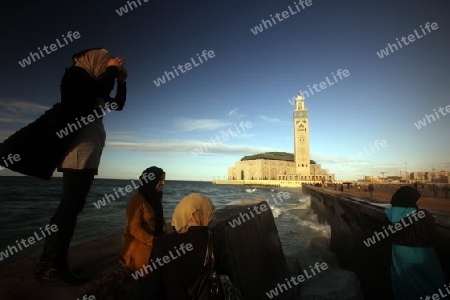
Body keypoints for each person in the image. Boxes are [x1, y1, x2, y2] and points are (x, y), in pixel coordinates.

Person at [34, 48, 127, 285]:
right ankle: (53, 266)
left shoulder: (94, 83)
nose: (107, 61)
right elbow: (97, 91)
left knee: (72, 207)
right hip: (78, 150)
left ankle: (51, 263)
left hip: (88, 149)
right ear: (88, 58)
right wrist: (112, 69)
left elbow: (118, 105)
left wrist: (121, 82)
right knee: (69, 207)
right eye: (103, 59)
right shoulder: (76, 75)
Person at [147, 193, 233, 300]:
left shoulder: (162, 242)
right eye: (210, 212)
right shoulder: (216, 241)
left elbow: (152, 286)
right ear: (202, 214)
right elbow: (227, 275)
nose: (211, 217)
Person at [384, 186, 445, 300]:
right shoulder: (422, 214)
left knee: (405, 283)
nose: (419, 201)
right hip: (422, 253)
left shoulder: (389, 214)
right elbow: (433, 234)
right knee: (432, 283)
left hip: (399, 253)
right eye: (417, 198)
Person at [120, 166, 168, 272]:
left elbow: (160, 220)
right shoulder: (137, 201)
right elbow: (134, 229)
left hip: (156, 239)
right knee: (151, 267)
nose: (163, 182)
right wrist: (154, 241)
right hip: (139, 242)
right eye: (161, 179)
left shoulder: (155, 198)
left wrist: (164, 236)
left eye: (164, 179)